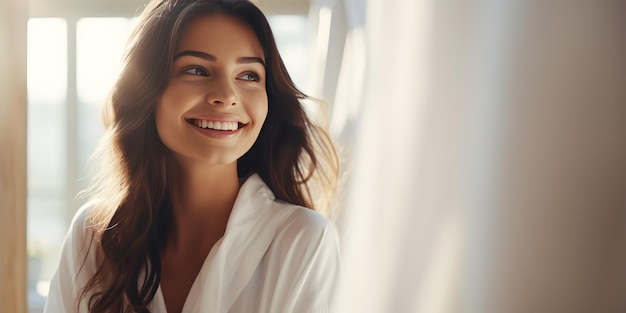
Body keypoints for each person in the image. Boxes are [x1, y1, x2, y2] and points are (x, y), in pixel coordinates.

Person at [43, 0, 341, 312]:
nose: (226, 96)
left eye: (249, 75)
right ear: (147, 90)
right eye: (196, 70)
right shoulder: (93, 236)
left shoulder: (303, 241)